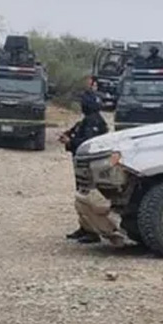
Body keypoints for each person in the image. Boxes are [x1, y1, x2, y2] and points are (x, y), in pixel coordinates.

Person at [60, 82, 109, 243]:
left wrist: (70, 142)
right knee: (81, 197)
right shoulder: (87, 120)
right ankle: (84, 228)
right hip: (83, 165)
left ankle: (92, 232)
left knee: (88, 197)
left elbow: (88, 143)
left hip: (90, 166)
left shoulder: (94, 121)